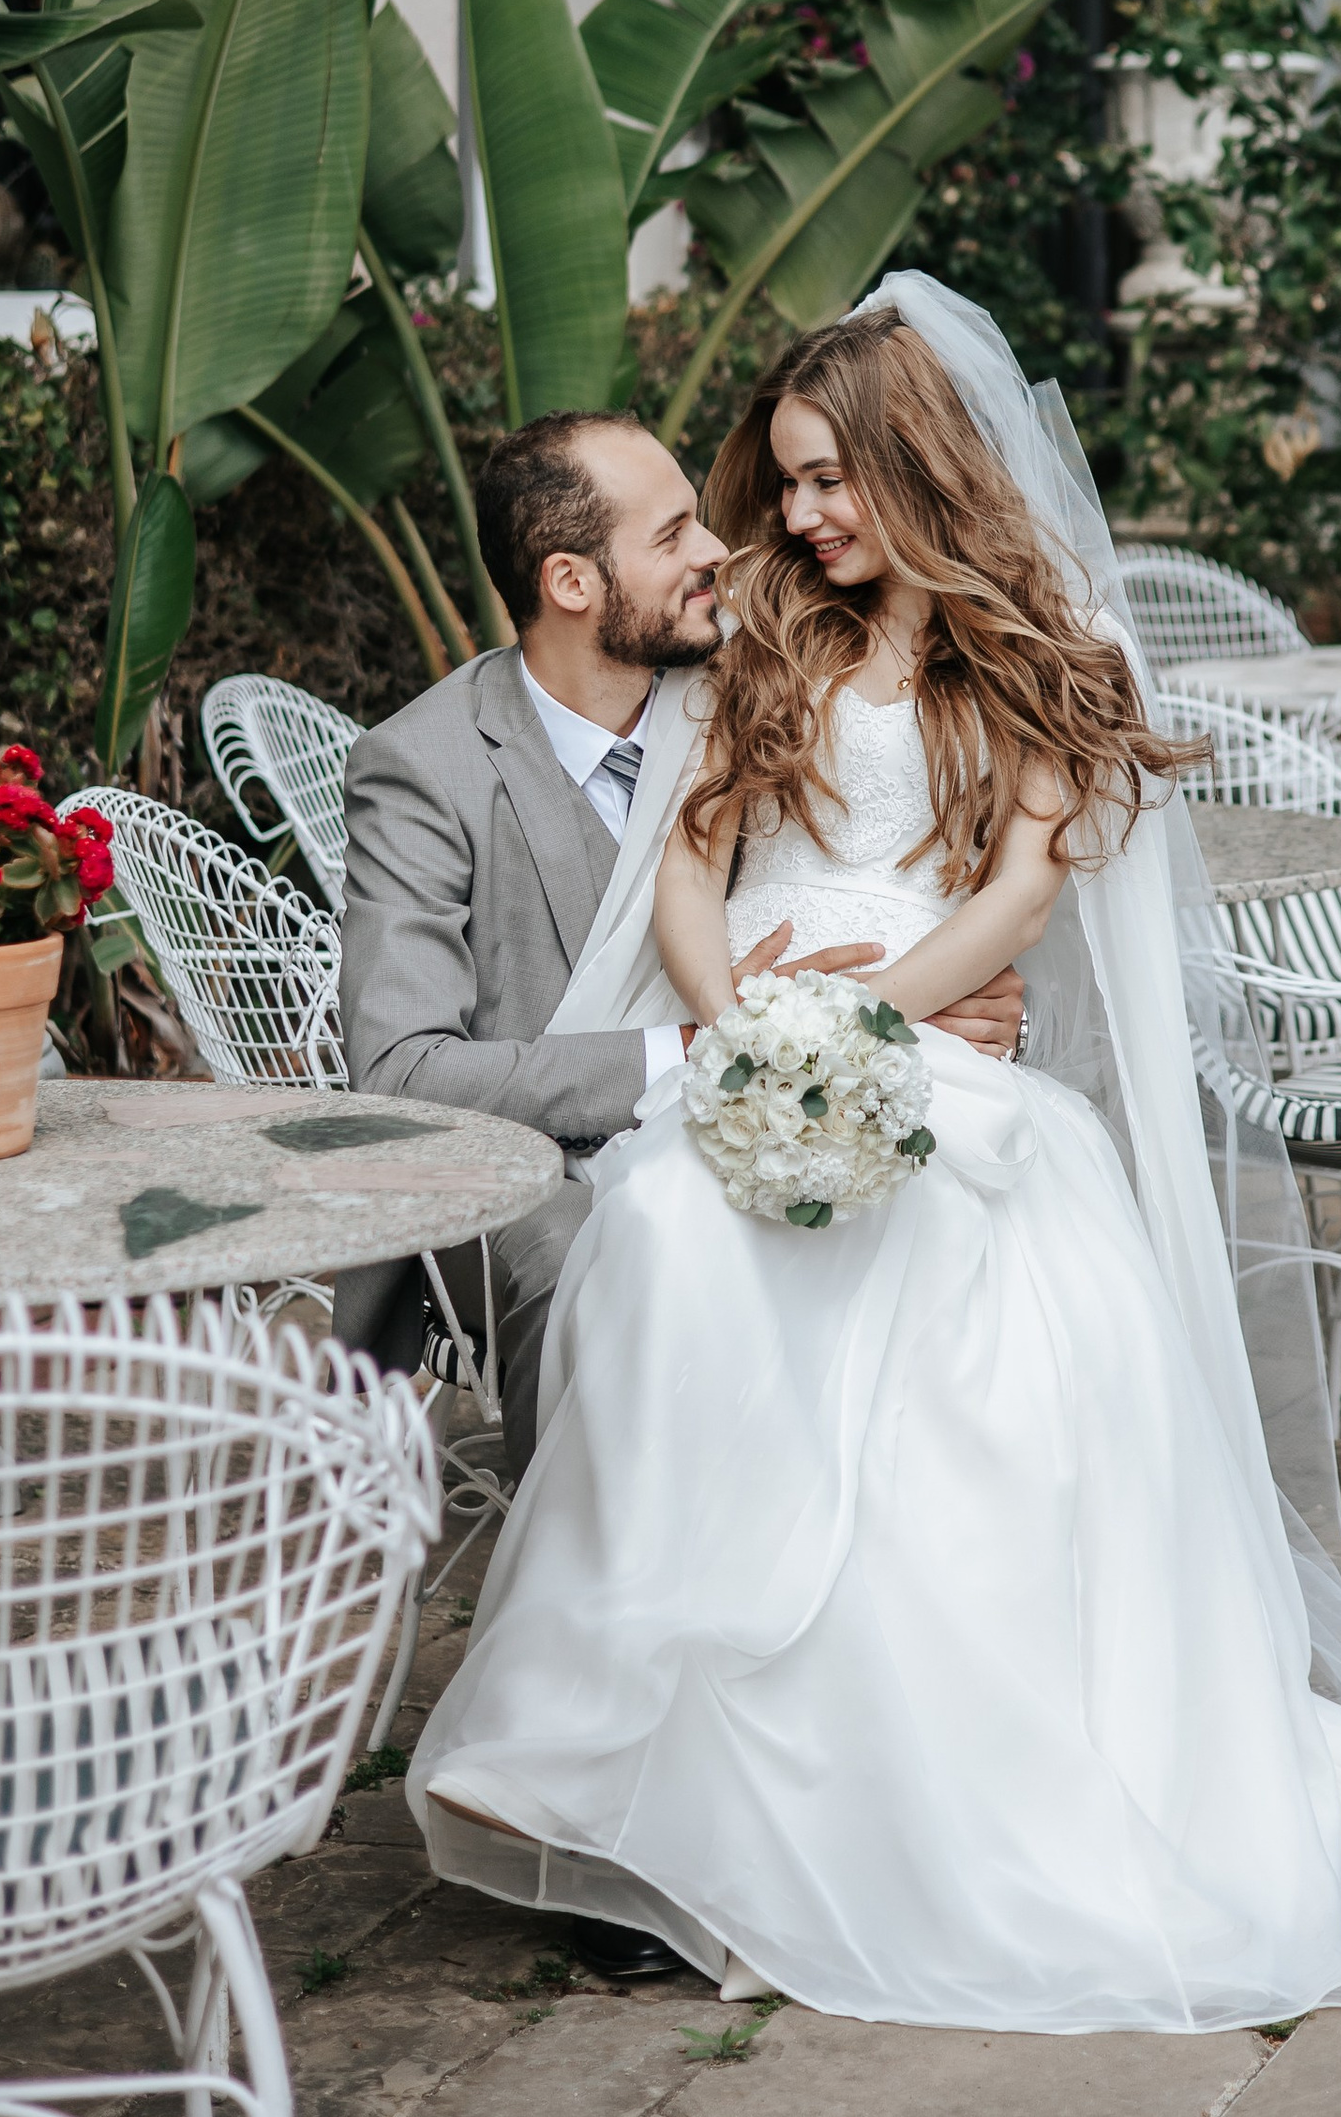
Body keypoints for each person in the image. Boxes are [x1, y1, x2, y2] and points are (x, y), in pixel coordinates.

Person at [406, 276, 1341, 2033]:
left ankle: (915, 1786)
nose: (791, 517)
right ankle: (623, 1733)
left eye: (822, 481)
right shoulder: (768, 634)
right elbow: (696, 861)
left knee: (968, 1294)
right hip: (751, 1035)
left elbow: (1024, 891)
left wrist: (881, 1021)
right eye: (778, 484)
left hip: (930, 1030)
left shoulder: (1035, 651)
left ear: (911, 467)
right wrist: (733, 1033)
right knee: (662, 1236)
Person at [334, 405, 1021, 1981]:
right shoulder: (430, 766)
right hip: (546, 1166)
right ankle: (616, 1812)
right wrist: (691, 1056)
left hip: (806, 1098)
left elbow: (913, 868)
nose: (724, 547)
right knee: (628, 1268)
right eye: (673, 535)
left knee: (944, 1247)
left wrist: (956, 1005)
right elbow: (400, 1074)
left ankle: (880, 1751)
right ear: (573, 584)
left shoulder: (755, 686)